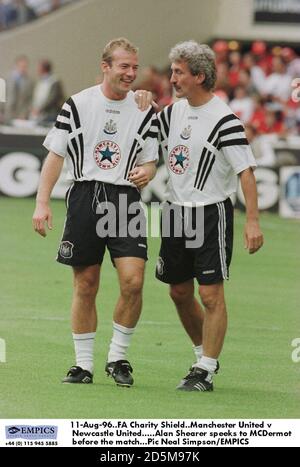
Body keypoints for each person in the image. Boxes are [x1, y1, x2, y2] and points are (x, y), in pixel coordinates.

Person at [32, 38, 158, 387]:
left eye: (135, 66)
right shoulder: (78, 104)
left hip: (125, 199)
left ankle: (118, 358)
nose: (131, 73)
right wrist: (42, 202)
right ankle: (82, 365)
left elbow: (150, 158)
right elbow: (55, 155)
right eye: (124, 66)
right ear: (106, 66)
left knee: (133, 280)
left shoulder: (145, 108)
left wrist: (150, 171)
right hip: (85, 195)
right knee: (86, 283)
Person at [156, 40, 264, 392]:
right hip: (174, 210)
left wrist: (252, 221)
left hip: (211, 213)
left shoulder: (225, 119)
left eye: (178, 73)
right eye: (173, 72)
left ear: (199, 76)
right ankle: (204, 355)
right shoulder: (172, 112)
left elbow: (246, 171)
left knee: (211, 295)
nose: (172, 79)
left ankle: (205, 368)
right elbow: (145, 138)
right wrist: (140, 102)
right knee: (178, 292)